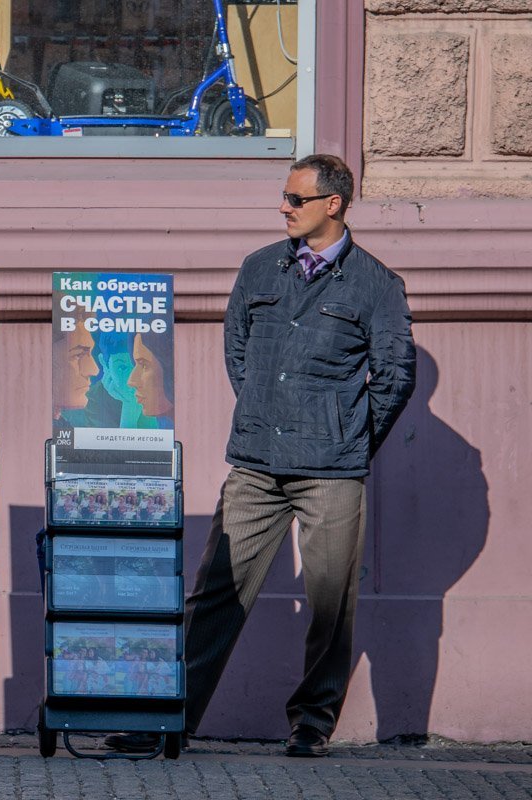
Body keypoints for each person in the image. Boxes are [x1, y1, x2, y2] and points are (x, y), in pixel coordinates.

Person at [111, 154, 416, 757]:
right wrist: (260, 412)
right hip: (255, 461)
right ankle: (172, 718)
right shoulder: (259, 268)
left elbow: (395, 375)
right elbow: (238, 353)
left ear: (334, 204)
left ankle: (312, 723)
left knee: (331, 599)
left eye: (296, 199)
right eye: (283, 196)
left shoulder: (376, 284)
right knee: (216, 590)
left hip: (331, 470)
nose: (284, 207)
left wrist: (348, 435)